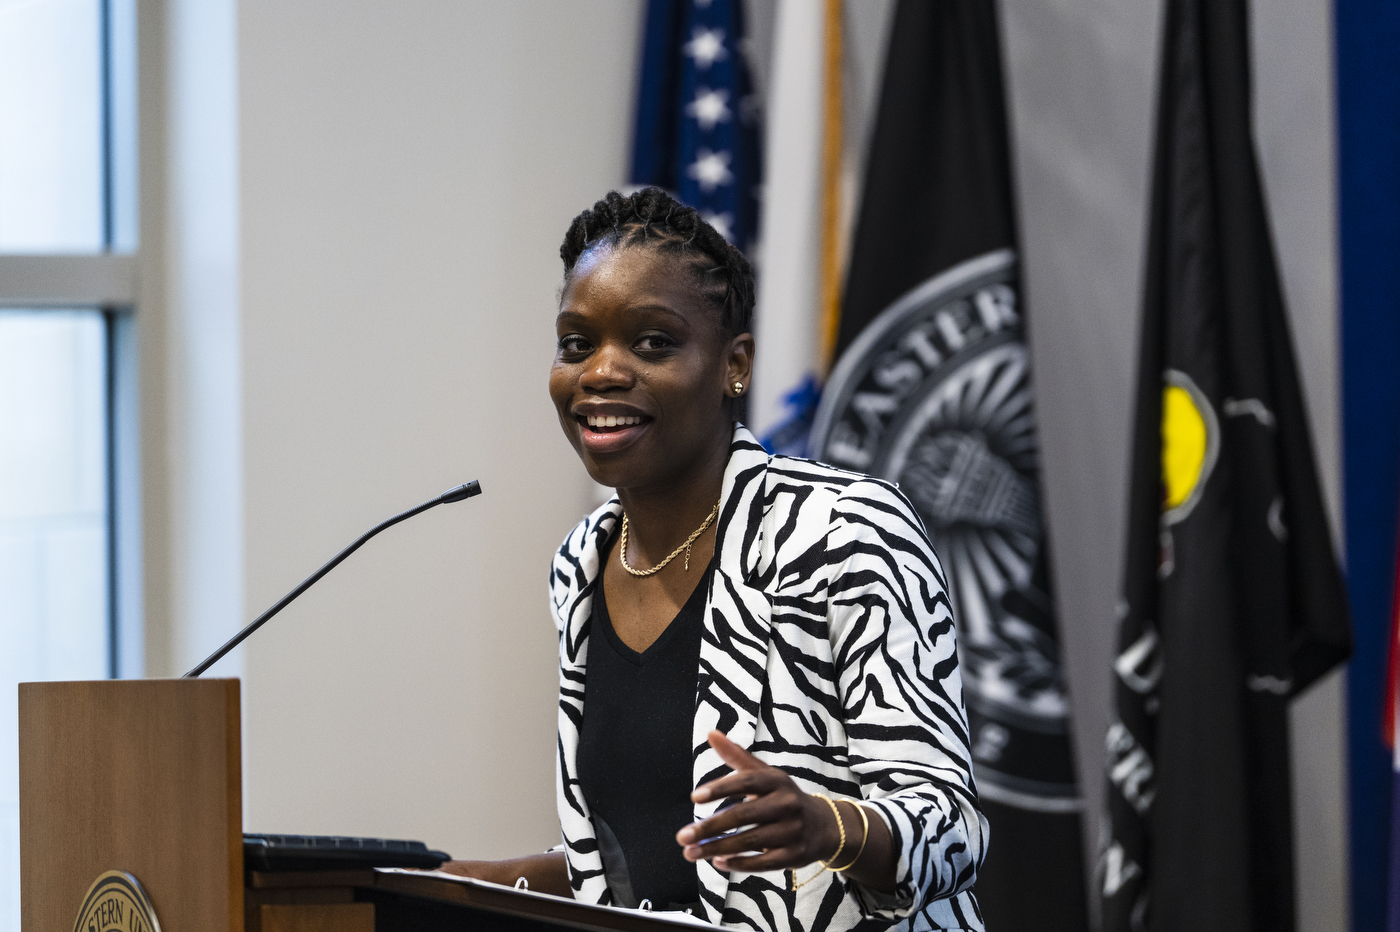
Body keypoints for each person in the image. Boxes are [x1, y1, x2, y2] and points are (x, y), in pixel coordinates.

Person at [443, 188, 987, 932]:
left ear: (736, 364)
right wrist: (483, 882)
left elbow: (952, 828)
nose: (600, 372)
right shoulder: (581, 562)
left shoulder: (841, 528)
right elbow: (642, 855)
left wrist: (827, 825)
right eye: (577, 344)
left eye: (652, 342)